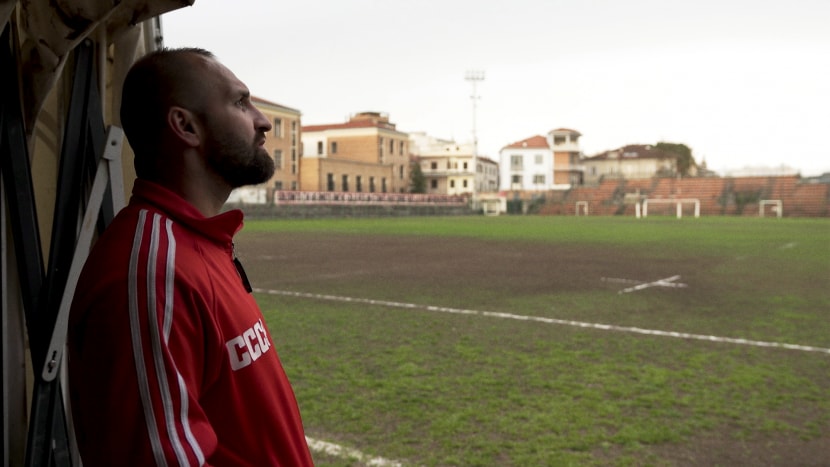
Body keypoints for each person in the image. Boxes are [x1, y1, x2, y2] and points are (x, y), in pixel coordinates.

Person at [67, 47, 314, 466]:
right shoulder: (152, 275)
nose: (263, 120)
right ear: (185, 126)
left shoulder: (202, 244)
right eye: (240, 102)